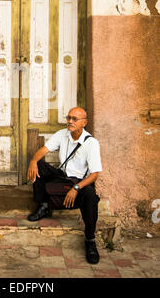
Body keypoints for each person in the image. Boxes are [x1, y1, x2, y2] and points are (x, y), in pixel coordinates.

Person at [27, 107, 102, 264]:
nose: (70, 121)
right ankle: (44, 206)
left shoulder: (92, 143)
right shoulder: (62, 134)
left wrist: (76, 188)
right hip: (62, 177)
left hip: (79, 182)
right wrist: (34, 161)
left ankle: (90, 241)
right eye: (69, 118)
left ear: (84, 122)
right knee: (39, 165)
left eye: (75, 119)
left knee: (91, 197)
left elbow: (94, 174)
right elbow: (43, 150)